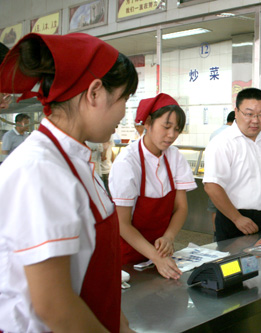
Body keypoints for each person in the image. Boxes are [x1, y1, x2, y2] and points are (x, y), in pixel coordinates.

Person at [0, 32, 138, 332]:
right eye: (124, 99)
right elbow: (54, 306)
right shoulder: (39, 170)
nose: (124, 111)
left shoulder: (73, 159)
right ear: (95, 93)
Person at [109, 93, 196, 280]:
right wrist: (155, 256)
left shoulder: (175, 157)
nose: (171, 135)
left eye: (177, 129)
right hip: (128, 255)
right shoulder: (128, 162)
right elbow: (122, 223)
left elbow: (181, 207)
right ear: (148, 122)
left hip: (161, 253)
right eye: (166, 127)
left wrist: (169, 237)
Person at [203, 87, 261, 241]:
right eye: (249, 114)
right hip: (235, 220)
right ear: (236, 112)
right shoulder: (222, 142)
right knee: (234, 263)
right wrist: (237, 218)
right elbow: (211, 186)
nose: (255, 120)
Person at [207, 110, 235, 235]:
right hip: (227, 180)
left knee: (215, 209)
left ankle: (215, 233)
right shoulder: (230, 134)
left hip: (213, 176)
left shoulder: (215, 132)